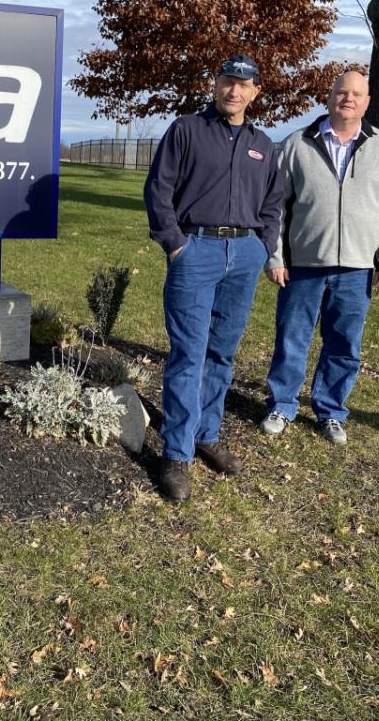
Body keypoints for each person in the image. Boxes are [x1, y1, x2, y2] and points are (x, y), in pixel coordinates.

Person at [143, 55, 281, 502]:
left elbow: (273, 204)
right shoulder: (186, 130)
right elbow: (158, 190)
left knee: (222, 352)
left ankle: (207, 434)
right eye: (227, 82)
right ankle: (177, 454)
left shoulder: (264, 145)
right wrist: (175, 244)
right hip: (195, 250)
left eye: (243, 85)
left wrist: (262, 244)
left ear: (255, 91)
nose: (234, 91)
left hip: (243, 254)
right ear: (215, 84)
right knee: (189, 353)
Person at [260, 70, 379, 445]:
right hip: (303, 265)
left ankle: (330, 410)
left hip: (357, 268)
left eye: (357, 94)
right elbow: (275, 207)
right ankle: (281, 404)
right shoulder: (297, 144)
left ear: (367, 102)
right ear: (329, 98)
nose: (348, 99)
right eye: (342, 92)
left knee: (344, 343)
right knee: (292, 337)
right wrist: (275, 257)